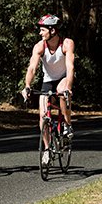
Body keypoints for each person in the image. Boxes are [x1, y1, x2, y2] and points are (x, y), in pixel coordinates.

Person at [21, 14, 75, 163]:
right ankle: (46, 148)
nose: (40, 33)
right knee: (43, 115)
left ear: (52, 30)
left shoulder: (66, 44)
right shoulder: (39, 46)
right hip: (48, 80)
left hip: (64, 78)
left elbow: (70, 67)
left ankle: (67, 125)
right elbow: (32, 68)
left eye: (42, 30)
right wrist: (27, 86)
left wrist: (69, 87)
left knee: (63, 92)